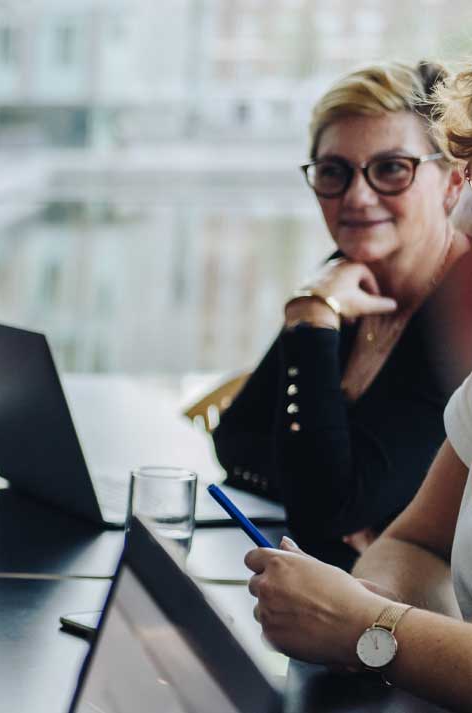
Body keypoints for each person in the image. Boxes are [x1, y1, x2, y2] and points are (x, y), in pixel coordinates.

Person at [244, 65, 472, 710]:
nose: (358, 197)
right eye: (334, 172)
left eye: (392, 169)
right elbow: (412, 542)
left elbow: (327, 505)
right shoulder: (348, 283)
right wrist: (355, 609)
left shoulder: (448, 325)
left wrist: (364, 629)